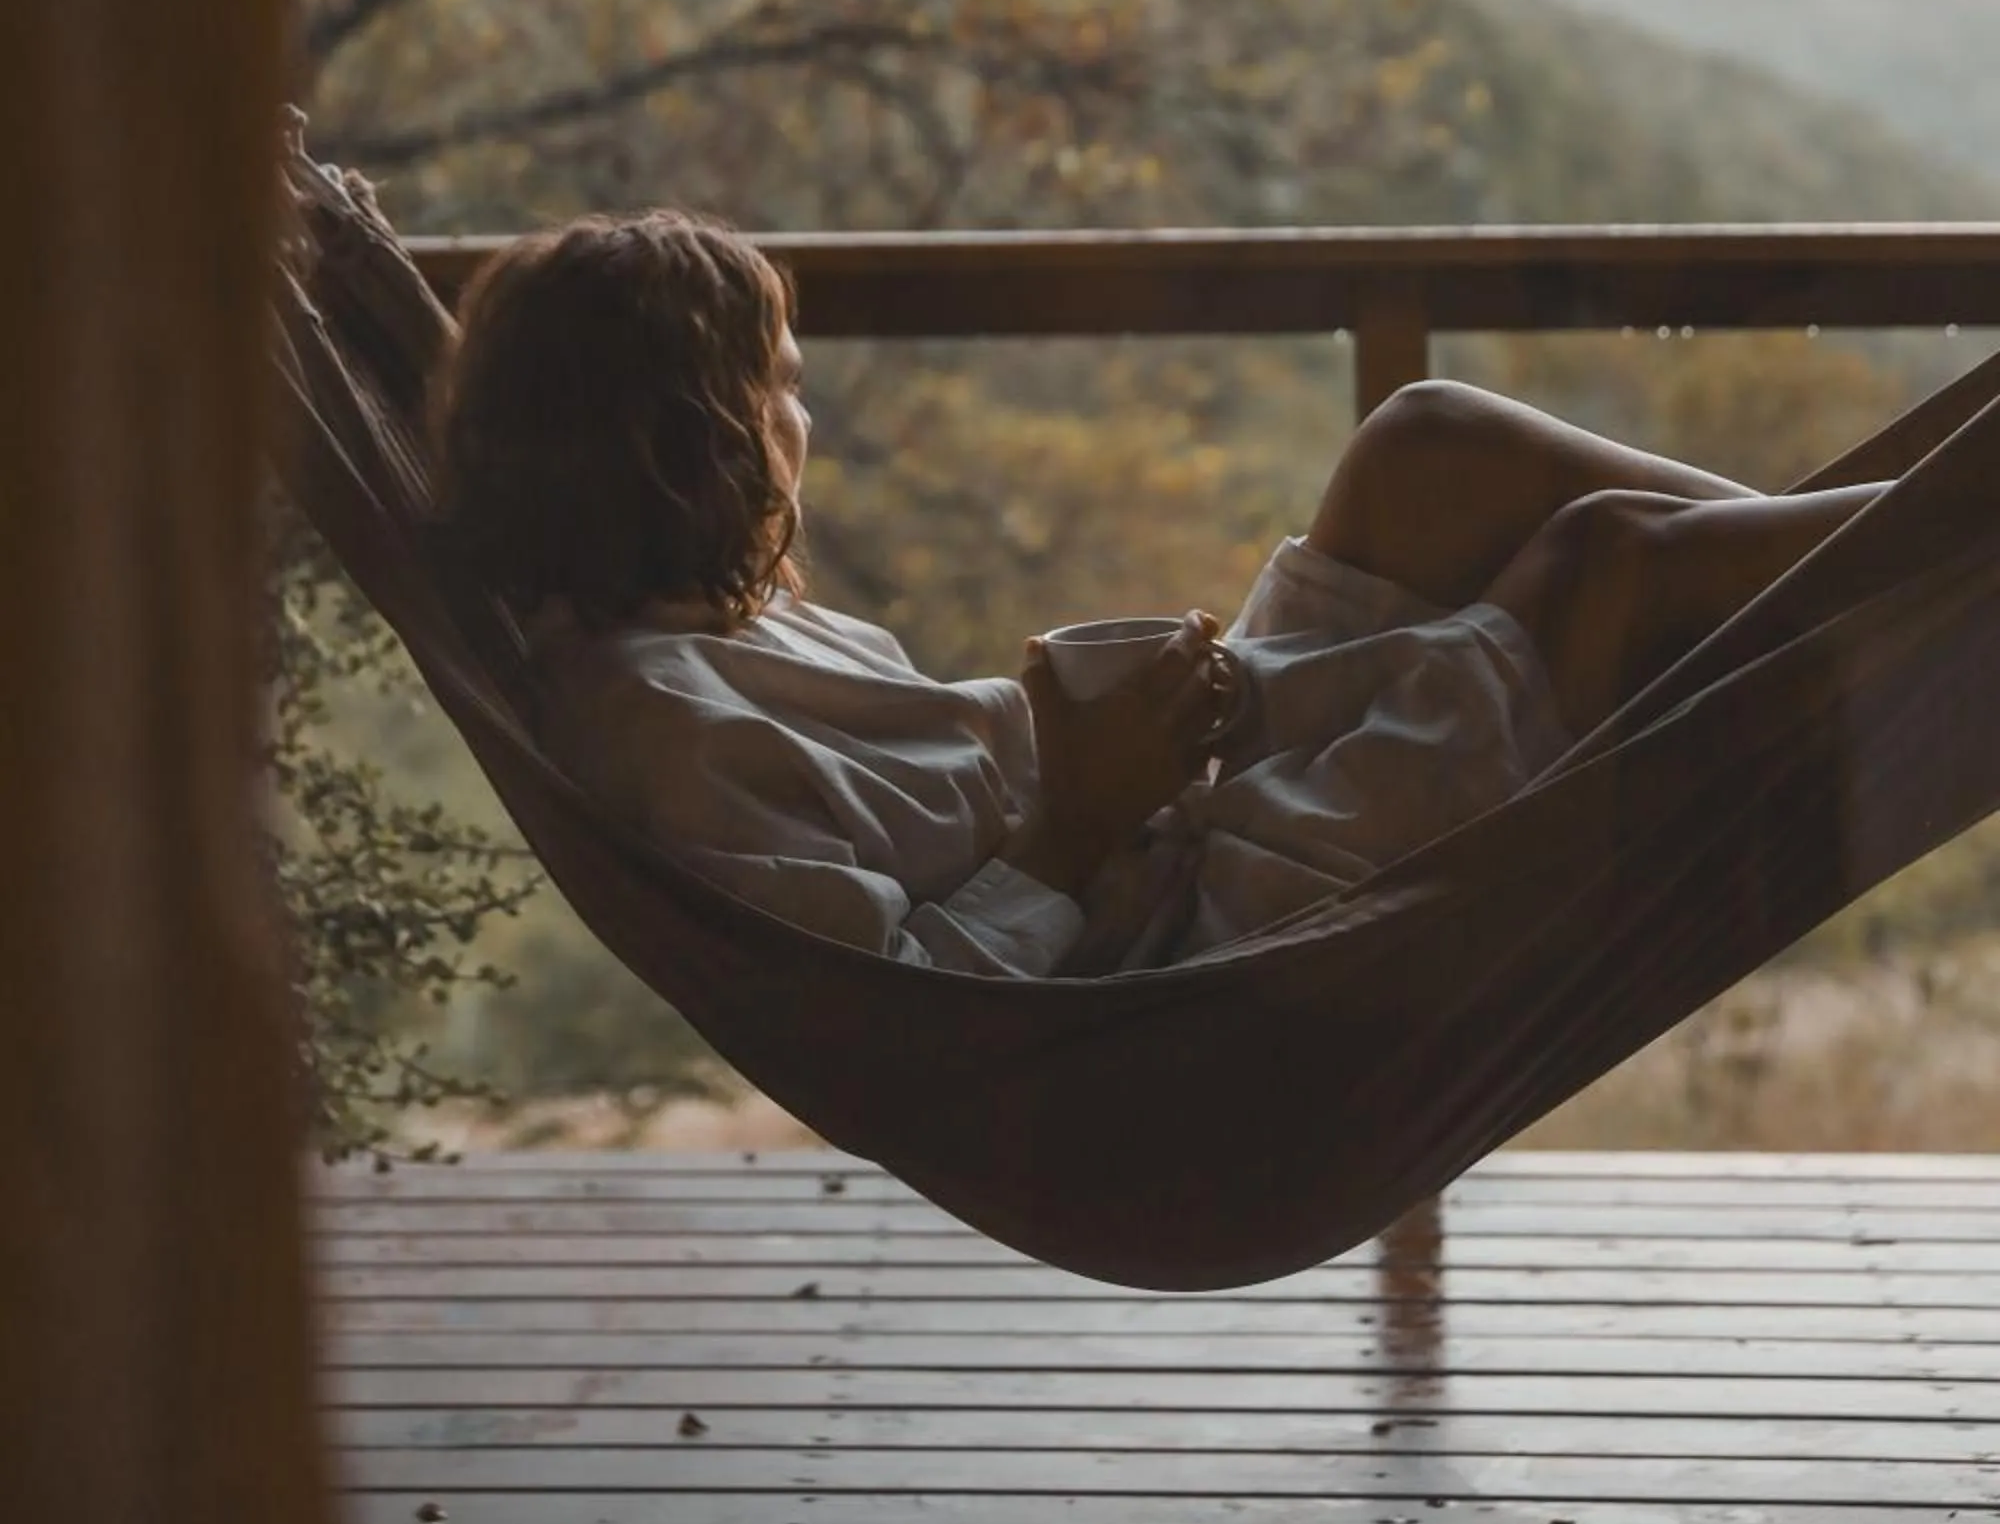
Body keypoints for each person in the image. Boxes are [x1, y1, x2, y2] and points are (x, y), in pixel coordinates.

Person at [430, 210, 1886, 977]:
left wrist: (1175, 723)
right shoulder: (666, 736)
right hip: (1197, 956)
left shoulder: (714, 627)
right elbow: (925, 1009)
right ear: (696, 441)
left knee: (1426, 443)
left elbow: (975, 783)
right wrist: (1080, 817)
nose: (804, 430)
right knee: (1607, 563)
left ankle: (1888, 564)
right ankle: (1910, 565)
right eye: (783, 394)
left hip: (1173, 820)